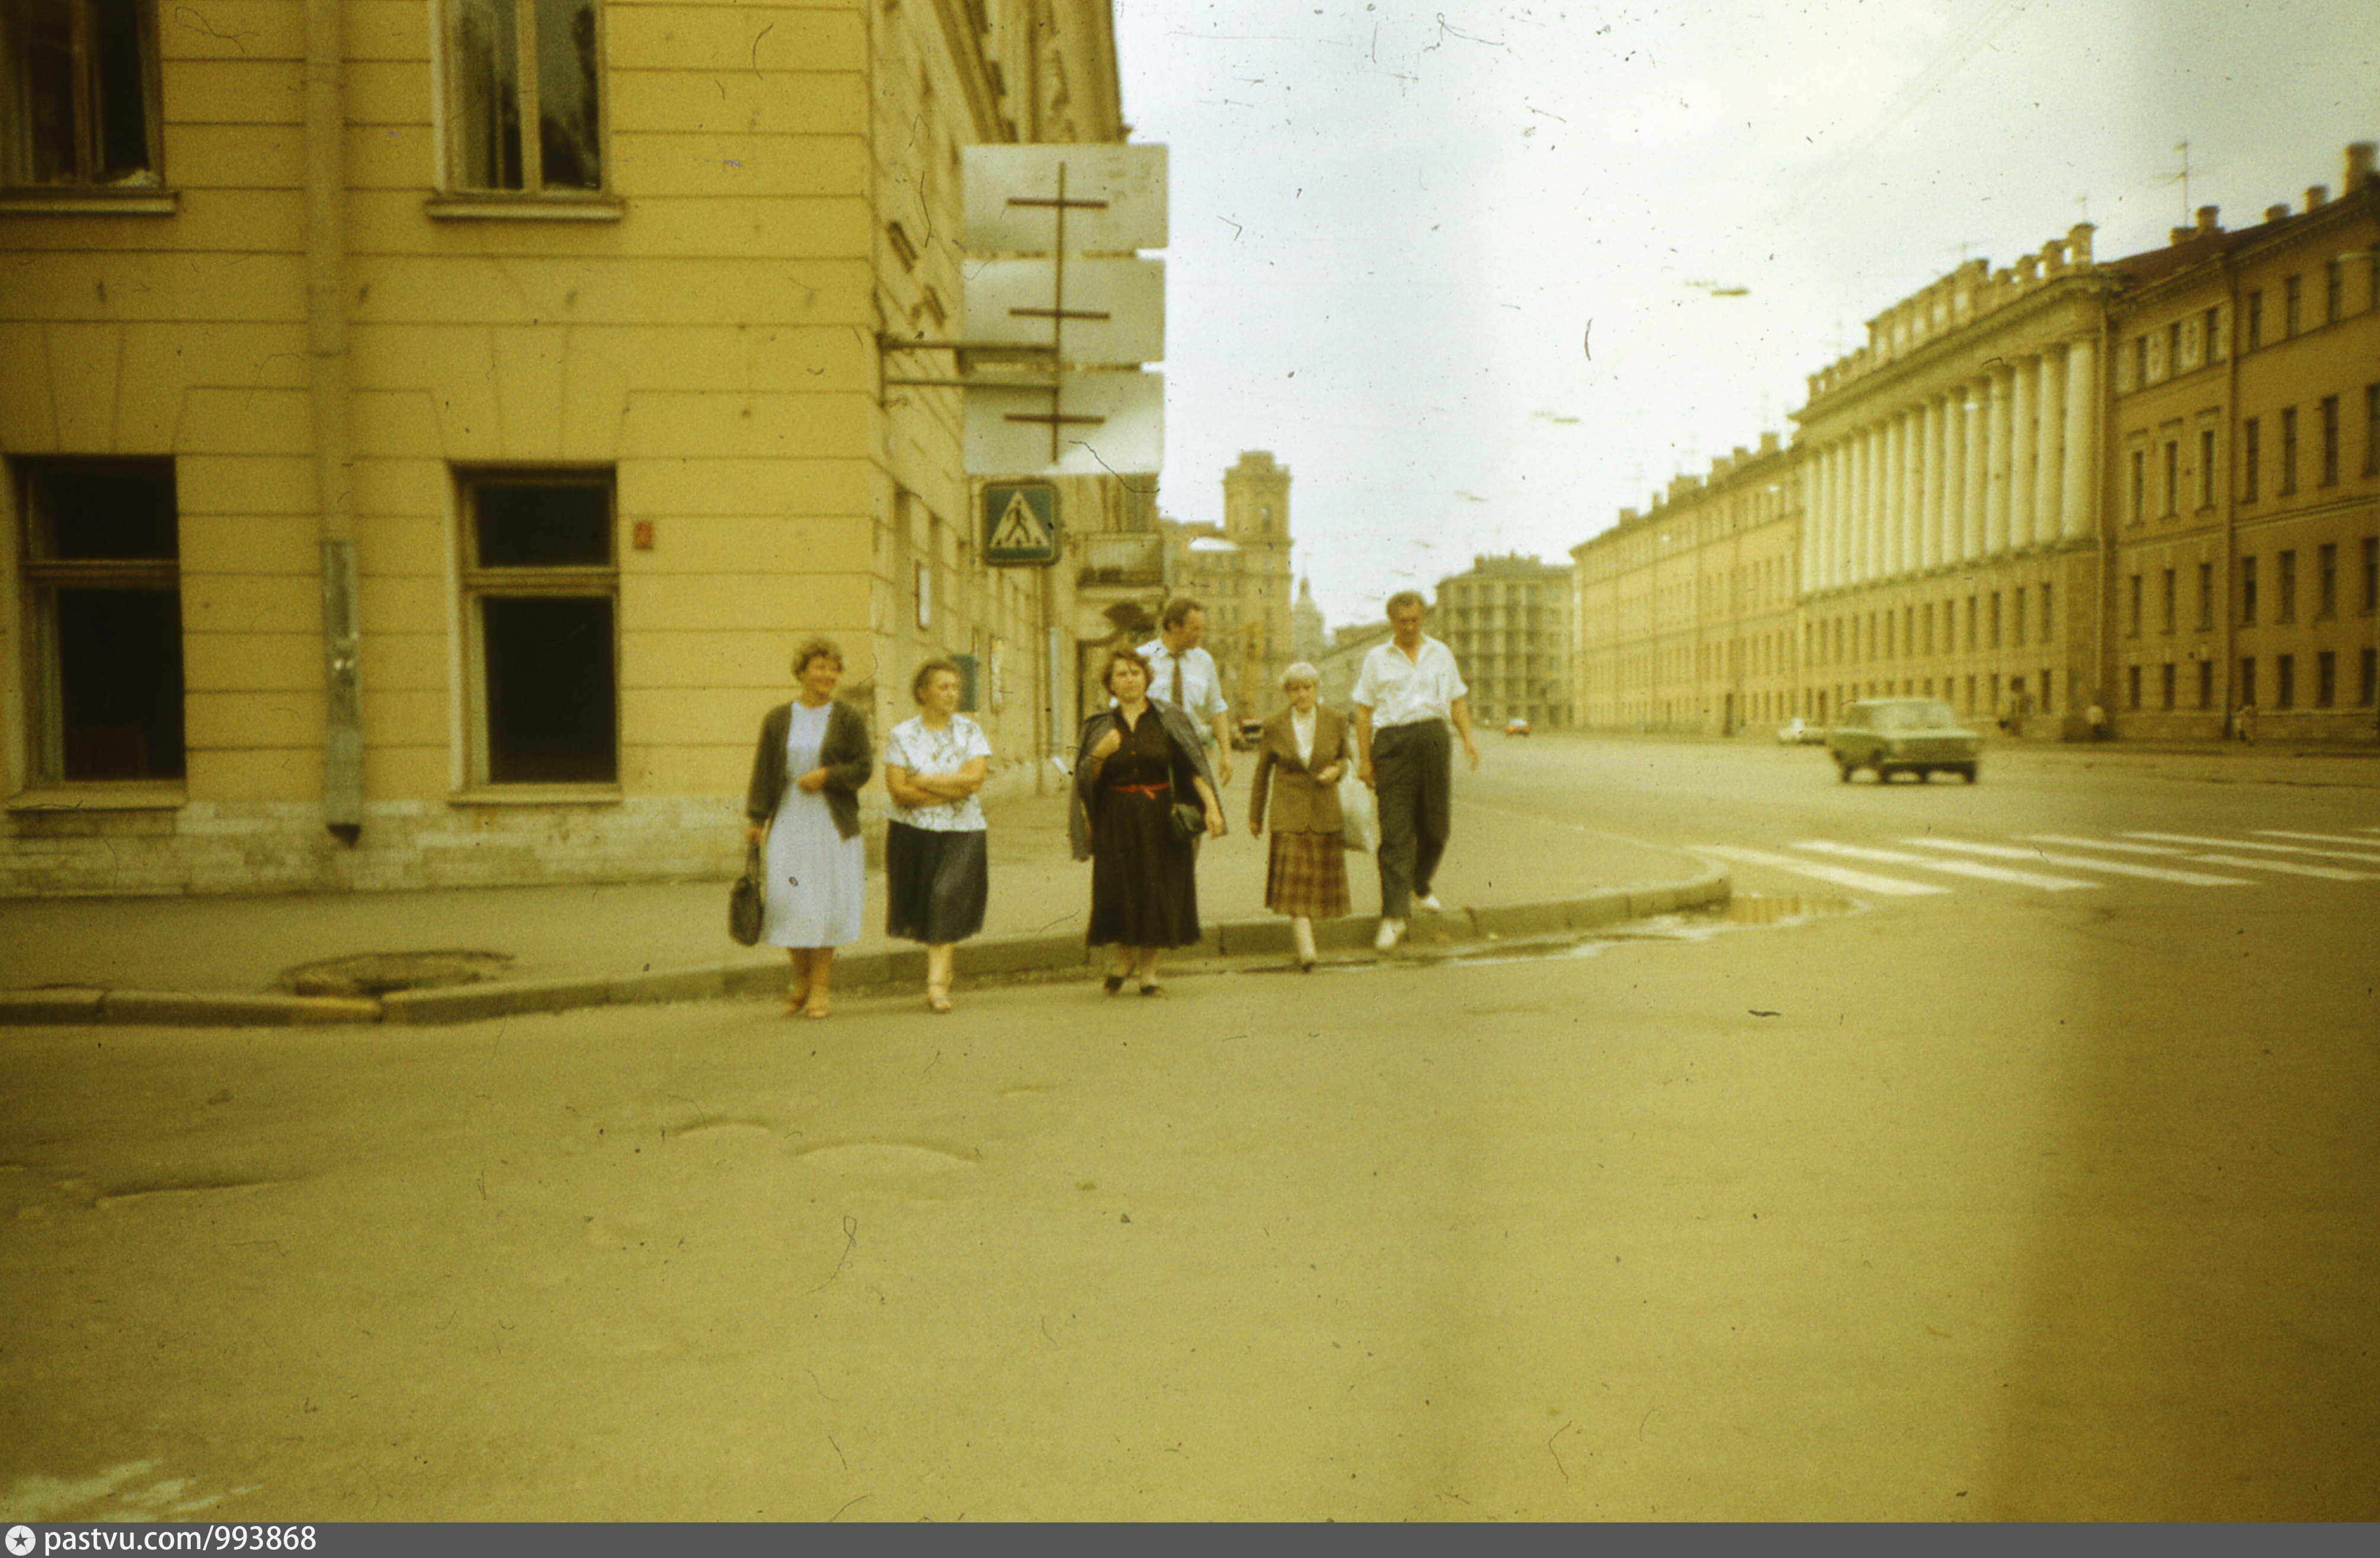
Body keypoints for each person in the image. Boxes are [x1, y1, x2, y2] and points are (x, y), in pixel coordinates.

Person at [1069, 646, 1225, 995]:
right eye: (1121, 674)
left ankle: (1149, 970)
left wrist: (1212, 808)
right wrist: (1100, 755)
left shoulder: (1168, 718)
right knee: (1120, 888)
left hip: (1160, 818)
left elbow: (1192, 768)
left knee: (1158, 889)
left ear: (1147, 678)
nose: (1129, 680)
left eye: (1135, 673)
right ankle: (1124, 959)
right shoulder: (1099, 725)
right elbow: (1085, 781)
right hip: (1117, 817)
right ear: (1110, 683)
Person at [744, 638, 871, 1019]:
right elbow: (764, 770)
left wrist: (827, 775)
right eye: (819, 667)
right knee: (789, 903)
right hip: (790, 819)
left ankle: (819, 989)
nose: (827, 675)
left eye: (833, 668)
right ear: (801, 672)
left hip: (832, 824)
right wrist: (757, 819)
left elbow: (863, 767)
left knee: (824, 905)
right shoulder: (778, 719)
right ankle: (799, 980)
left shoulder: (848, 718)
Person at [1352, 591, 1480, 951]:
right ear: (1392, 621)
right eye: (1402, 621)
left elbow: (1457, 700)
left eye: (1415, 620)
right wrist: (1365, 760)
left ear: (1422, 619)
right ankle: (1394, 917)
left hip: (1434, 739)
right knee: (1395, 833)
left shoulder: (1440, 653)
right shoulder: (1377, 659)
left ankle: (1418, 883)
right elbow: (1363, 712)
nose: (1409, 627)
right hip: (1392, 743)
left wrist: (1469, 739)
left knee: (1437, 830)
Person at [882, 659, 992, 1015]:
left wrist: (926, 781)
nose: (951, 694)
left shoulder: (970, 732)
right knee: (926, 902)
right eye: (943, 687)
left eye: (955, 687)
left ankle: (937, 984)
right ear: (923, 692)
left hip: (963, 830)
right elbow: (899, 791)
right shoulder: (902, 735)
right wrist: (952, 789)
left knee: (945, 897)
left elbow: (974, 781)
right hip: (913, 832)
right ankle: (943, 970)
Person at [1247, 661, 1351, 972]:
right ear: (1287, 692)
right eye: (1295, 689)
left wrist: (1336, 771)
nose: (1302, 694)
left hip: (1323, 808)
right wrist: (1255, 815)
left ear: (1316, 689)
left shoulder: (1336, 719)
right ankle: (1307, 949)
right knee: (1295, 881)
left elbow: (1345, 757)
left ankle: (1307, 942)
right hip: (1287, 811)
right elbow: (1262, 772)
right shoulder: (1275, 724)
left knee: (1312, 883)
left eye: (1308, 687)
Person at [1138, 597, 1235, 788]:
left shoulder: (1204, 660)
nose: (1200, 635)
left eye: (1202, 629)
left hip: (1191, 756)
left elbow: (1216, 707)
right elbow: (1120, 707)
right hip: (1149, 754)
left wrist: (1226, 754)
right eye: (1195, 629)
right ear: (1174, 626)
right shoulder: (1142, 656)